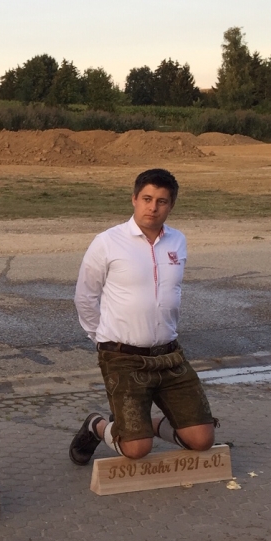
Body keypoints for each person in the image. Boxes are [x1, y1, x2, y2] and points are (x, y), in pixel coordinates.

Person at [69, 168, 217, 465]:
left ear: (171, 205)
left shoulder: (178, 241)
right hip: (123, 358)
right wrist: (102, 339)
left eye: (162, 201)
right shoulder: (108, 241)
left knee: (202, 440)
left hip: (170, 355)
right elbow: (85, 296)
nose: (153, 207)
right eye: (147, 198)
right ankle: (97, 426)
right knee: (137, 450)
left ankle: (136, 424)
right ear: (134, 199)